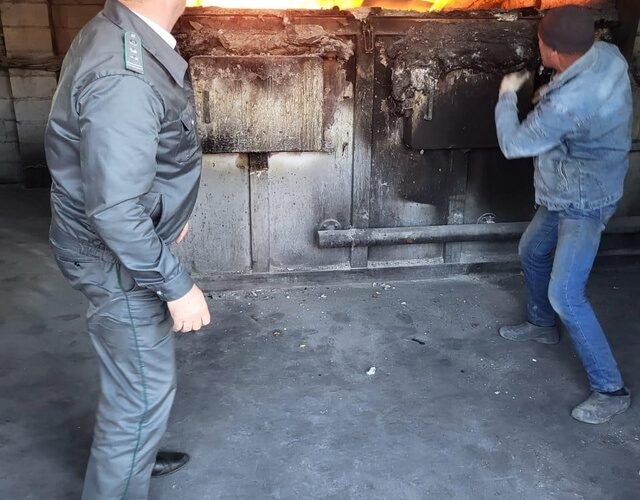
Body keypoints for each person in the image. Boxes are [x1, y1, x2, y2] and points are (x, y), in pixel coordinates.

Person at [45, 0, 211, 497]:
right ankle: (121, 470)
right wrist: (177, 286)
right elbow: (116, 212)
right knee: (140, 394)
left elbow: (125, 168)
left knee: (135, 383)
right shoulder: (125, 76)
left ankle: (133, 453)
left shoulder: (121, 31)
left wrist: (167, 211)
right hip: (115, 260)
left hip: (118, 245)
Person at [494, 5, 633, 424]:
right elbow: (578, 104)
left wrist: (507, 95)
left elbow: (513, 145)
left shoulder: (569, 105)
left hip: (584, 200)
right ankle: (541, 325)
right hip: (573, 185)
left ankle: (611, 389)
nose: (538, 45)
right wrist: (550, 91)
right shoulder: (607, 54)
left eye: (540, 41)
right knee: (533, 250)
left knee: (566, 294)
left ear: (553, 51)